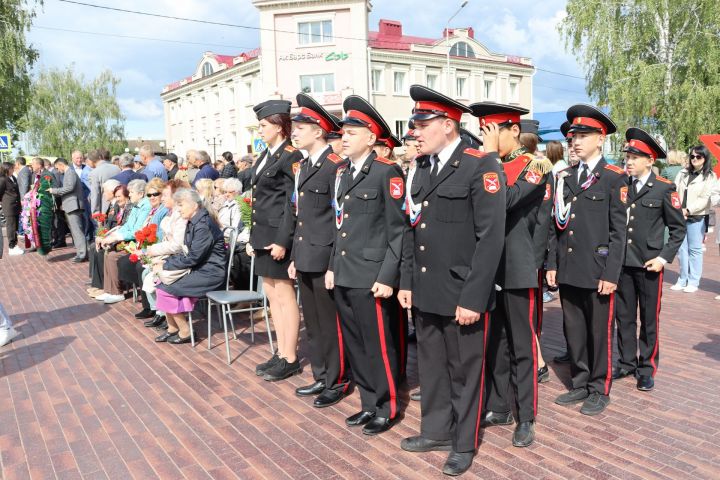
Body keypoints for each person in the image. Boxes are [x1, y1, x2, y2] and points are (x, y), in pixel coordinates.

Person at [398, 86, 505, 475]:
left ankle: (464, 441)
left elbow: (490, 239)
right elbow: (412, 230)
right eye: (415, 125)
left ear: (448, 124)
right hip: (427, 290)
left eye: (423, 124)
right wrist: (408, 281)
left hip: (462, 291)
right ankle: (437, 430)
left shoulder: (480, 165)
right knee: (431, 366)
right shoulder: (423, 166)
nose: (416, 132)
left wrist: (474, 298)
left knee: (465, 370)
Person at [470, 103, 552, 448]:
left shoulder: (536, 165)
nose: (487, 138)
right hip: (489, 266)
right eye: (484, 131)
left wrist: (487, 159)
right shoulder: (489, 163)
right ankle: (499, 405)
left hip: (518, 266)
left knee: (522, 344)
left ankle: (526, 416)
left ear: (513, 131)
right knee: (495, 341)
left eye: (493, 131)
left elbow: (504, 199)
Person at [327, 95, 406, 437]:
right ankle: (368, 402)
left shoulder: (387, 172)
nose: (344, 137)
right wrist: (332, 266)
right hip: (345, 272)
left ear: (371, 138)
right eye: (343, 132)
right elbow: (339, 226)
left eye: (352, 133)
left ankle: (387, 406)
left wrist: (388, 275)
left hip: (371, 275)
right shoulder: (342, 172)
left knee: (377, 344)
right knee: (356, 343)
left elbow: (398, 229)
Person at [546, 104, 627, 416]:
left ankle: (598, 386)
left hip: (597, 270)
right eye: (572, 136)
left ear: (600, 138)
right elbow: (556, 226)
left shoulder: (612, 178)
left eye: (582, 135)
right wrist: (552, 264)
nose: (575, 141)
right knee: (574, 329)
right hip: (568, 268)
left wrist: (611, 273)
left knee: (598, 331)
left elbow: (618, 232)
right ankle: (579, 381)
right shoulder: (564, 176)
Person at [287, 93, 349, 407]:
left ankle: (337, 380)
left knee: (330, 324)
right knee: (311, 322)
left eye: (300, 127)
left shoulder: (335, 167)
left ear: (318, 131)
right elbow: (303, 216)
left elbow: (339, 221)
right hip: (306, 254)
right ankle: (322, 375)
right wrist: (296, 257)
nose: (294, 132)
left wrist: (333, 264)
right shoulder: (303, 166)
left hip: (326, 257)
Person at [614, 128, 686, 392]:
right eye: (628, 155)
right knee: (624, 317)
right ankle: (626, 361)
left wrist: (663, 258)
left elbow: (678, 229)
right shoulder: (621, 184)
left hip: (649, 265)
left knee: (649, 319)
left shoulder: (665, 189)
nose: (629, 161)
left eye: (636, 156)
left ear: (650, 160)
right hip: (623, 263)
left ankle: (647, 367)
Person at [247, 99, 303, 382]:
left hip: (277, 238)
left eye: (264, 125)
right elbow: (260, 201)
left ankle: (290, 357)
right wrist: (251, 236)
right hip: (263, 236)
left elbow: (290, 203)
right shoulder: (267, 155)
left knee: (284, 295)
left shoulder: (290, 157)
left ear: (280, 127)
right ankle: (281, 351)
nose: (260, 130)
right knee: (271, 296)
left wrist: (283, 240)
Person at [153, 188, 226, 344]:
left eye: (181, 205)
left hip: (210, 273)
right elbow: (189, 253)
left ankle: (186, 331)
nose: (178, 209)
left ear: (194, 205)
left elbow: (193, 257)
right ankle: (173, 329)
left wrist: (166, 266)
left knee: (165, 289)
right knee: (160, 283)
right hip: (199, 269)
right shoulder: (195, 221)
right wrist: (165, 263)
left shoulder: (203, 225)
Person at [141, 178, 191, 329]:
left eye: (164, 195)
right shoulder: (172, 213)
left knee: (157, 278)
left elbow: (177, 245)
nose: (161, 198)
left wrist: (152, 251)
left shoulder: (180, 216)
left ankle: (177, 326)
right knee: (149, 273)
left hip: (182, 259)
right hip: (173, 256)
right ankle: (166, 320)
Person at [119, 178, 169, 318]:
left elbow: (159, 235)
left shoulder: (163, 211)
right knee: (126, 261)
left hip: (156, 248)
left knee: (141, 267)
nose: (152, 197)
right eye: (149, 195)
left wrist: (145, 249)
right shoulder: (153, 210)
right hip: (148, 246)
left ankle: (154, 308)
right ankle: (149, 306)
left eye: (156, 194)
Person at [96, 179, 151, 304]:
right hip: (130, 239)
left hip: (137, 243)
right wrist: (112, 236)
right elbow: (127, 226)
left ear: (141, 194)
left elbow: (136, 231)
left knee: (113, 256)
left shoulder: (145, 206)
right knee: (108, 251)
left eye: (131, 192)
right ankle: (109, 290)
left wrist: (116, 238)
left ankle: (117, 292)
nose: (129, 194)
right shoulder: (137, 205)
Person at [671, 145, 717, 293]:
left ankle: (693, 281)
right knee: (681, 248)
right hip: (679, 215)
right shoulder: (682, 173)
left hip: (696, 217)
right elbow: (674, 191)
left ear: (705, 158)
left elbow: (706, 199)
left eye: (699, 156)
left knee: (695, 249)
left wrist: (689, 210)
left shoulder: (710, 176)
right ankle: (682, 278)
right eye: (692, 156)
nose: (695, 159)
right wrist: (676, 209)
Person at [87, 183, 130, 298]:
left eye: (118, 196)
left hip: (121, 239)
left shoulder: (124, 207)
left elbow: (121, 226)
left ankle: (104, 286)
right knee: (94, 247)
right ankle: (100, 285)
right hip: (114, 236)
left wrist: (106, 237)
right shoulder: (115, 206)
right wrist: (102, 235)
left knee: (103, 252)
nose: (104, 194)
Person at [47, 158, 88, 262]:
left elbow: (69, 188)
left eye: (57, 168)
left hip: (73, 206)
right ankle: (81, 252)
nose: (57, 170)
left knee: (77, 231)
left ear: (61, 165)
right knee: (75, 231)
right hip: (71, 205)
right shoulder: (69, 173)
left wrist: (54, 191)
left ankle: (82, 254)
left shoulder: (70, 173)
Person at [0, 163, 23, 256]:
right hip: (9, 206)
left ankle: (15, 244)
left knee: (15, 226)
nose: (13, 170)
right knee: (11, 226)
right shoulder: (2, 179)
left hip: (16, 205)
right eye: (12, 168)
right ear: (6, 169)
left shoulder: (12, 177)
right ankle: (11, 247)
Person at [89, 149, 121, 214]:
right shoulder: (117, 168)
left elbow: (95, 194)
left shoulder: (94, 173)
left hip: (105, 208)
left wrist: (95, 212)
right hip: (120, 205)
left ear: (91, 161)